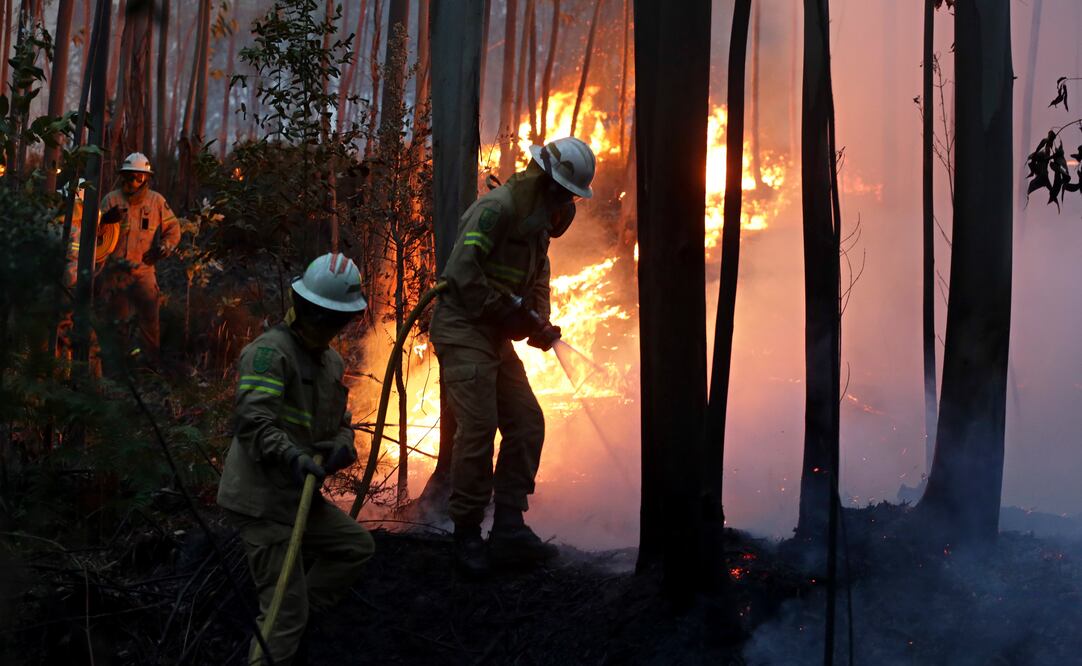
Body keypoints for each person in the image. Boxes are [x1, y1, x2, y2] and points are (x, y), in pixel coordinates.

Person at [430, 136, 596, 575]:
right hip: (463, 326)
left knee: (526, 422)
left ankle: (508, 527)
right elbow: (462, 274)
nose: (565, 203)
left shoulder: (538, 224)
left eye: (570, 195)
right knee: (480, 426)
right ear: (545, 179)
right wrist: (511, 312)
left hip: (495, 335)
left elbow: (537, 280)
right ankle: (465, 533)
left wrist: (538, 321)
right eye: (562, 190)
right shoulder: (498, 208)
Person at [218, 252, 373, 664]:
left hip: (297, 495)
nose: (329, 325)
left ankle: (300, 615)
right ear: (303, 307)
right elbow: (252, 423)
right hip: (262, 500)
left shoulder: (332, 363)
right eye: (322, 314)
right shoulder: (270, 354)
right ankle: (286, 622)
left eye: (338, 318)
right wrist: (293, 458)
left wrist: (343, 444)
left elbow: (340, 421)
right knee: (283, 615)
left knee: (355, 546)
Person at [97, 152, 180, 362]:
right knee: (117, 321)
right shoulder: (111, 200)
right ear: (122, 176)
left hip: (144, 270)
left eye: (139, 177)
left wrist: (163, 247)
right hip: (117, 272)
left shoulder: (156, 202)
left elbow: (174, 229)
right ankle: (118, 369)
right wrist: (104, 221)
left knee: (150, 320)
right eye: (129, 176)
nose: (133, 181)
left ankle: (150, 367)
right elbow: (90, 234)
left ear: (146, 178)